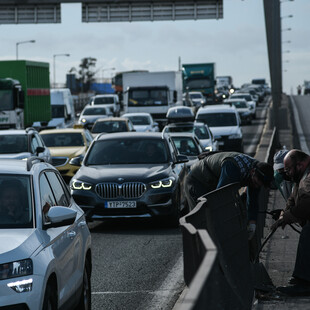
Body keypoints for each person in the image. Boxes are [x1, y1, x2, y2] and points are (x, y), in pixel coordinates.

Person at [184, 151, 274, 239]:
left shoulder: (256, 173)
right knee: (201, 219)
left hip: (211, 181)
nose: (256, 186)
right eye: (255, 183)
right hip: (196, 181)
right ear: (252, 172)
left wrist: (252, 224)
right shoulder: (232, 168)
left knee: (214, 222)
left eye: (259, 185)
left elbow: (253, 202)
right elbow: (220, 197)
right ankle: (199, 249)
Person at [273, 149, 310, 296]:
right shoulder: (301, 177)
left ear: (300, 165)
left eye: (288, 169)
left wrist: (288, 216)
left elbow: (307, 202)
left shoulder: (307, 178)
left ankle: (304, 282)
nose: (286, 174)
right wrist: (284, 214)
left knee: (308, 233)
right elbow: (293, 197)